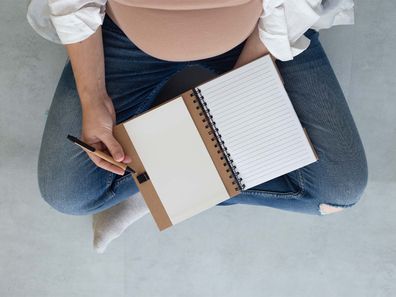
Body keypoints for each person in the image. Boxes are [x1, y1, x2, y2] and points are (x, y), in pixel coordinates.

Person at [27, 0, 367, 253]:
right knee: (67, 193)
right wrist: (93, 96)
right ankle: (173, 186)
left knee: (338, 189)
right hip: (122, 35)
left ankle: (158, 190)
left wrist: (243, 84)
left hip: (260, 26)